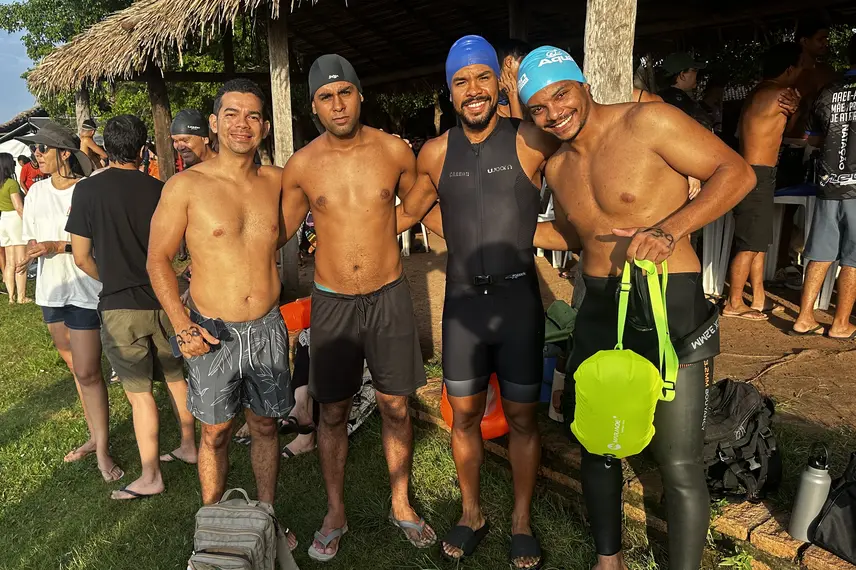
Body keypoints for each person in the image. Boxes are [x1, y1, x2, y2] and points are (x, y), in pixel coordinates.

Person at [520, 46, 755, 570]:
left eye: (560, 94)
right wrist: (508, 234)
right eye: (538, 107)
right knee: (598, 441)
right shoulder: (557, 168)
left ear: (582, 83)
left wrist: (671, 228)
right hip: (600, 304)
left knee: (677, 457)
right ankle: (610, 559)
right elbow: (576, 233)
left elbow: (736, 172)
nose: (554, 112)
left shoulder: (647, 122)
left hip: (667, 297)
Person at [396, 36, 563, 569]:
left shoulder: (532, 139)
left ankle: (520, 520)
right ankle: (472, 513)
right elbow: (411, 210)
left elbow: (580, 191)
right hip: (464, 306)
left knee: (521, 418)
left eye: (482, 78)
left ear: (499, 83)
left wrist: (540, 236)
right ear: (450, 92)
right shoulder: (435, 152)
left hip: (518, 302)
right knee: (463, 416)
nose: (473, 90)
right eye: (461, 81)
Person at [279, 53, 435, 562]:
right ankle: (335, 511)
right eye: (326, 97)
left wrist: (374, 232)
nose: (338, 104)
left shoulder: (394, 151)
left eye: (345, 92)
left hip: (388, 295)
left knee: (395, 404)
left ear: (359, 94)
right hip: (332, 303)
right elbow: (279, 230)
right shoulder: (303, 165)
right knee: (332, 412)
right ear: (313, 107)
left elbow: (415, 202)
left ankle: (401, 502)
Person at [147, 80, 296, 546]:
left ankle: (266, 518)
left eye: (253, 116)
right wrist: (182, 324)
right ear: (214, 123)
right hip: (211, 331)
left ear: (266, 127)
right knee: (214, 433)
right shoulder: (186, 186)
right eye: (231, 114)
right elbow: (157, 258)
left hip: (268, 326)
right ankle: (212, 527)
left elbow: (281, 234)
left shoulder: (277, 182)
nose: (242, 124)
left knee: (267, 425)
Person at [66, 115, 198, 500]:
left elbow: (80, 257)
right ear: (143, 150)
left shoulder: (87, 192)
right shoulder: (161, 188)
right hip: (164, 298)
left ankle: (150, 474)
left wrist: (110, 277)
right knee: (176, 377)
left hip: (120, 304)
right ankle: (190, 444)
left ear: (106, 149)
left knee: (140, 394)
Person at [13, 122, 123, 482]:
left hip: (85, 289)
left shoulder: (88, 190)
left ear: (64, 153)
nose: (36, 156)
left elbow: (100, 242)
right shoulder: (36, 193)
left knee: (89, 371)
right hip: (51, 292)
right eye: (33, 151)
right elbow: (32, 238)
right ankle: (95, 436)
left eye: (41, 149)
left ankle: (103, 450)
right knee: (78, 370)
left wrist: (57, 247)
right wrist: (30, 253)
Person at [723, 43, 803, 321]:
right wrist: (799, 108)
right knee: (749, 244)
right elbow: (797, 131)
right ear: (790, 69)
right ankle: (734, 302)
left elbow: (783, 126)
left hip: (754, 171)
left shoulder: (757, 92)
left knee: (758, 241)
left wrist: (795, 110)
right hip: (757, 173)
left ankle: (758, 297)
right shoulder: (782, 94)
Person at [792, 36, 856, 339]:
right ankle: (840, 323)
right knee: (854, 259)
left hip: (828, 184)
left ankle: (804, 317)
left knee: (820, 252)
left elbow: (813, 140)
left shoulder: (827, 91)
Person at [785, 19, 837, 139]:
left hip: (825, 140)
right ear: (804, 41)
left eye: (827, 39)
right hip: (795, 140)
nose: (825, 43)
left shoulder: (828, 71)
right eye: (820, 39)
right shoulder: (788, 74)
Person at [0, 153, 29, 303]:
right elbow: (18, 207)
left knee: (10, 262)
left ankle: (11, 297)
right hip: (14, 220)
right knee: (21, 260)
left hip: (3, 219)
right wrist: (29, 223)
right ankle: (21, 296)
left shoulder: (1, 183)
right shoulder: (11, 183)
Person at [658, 52, 713, 129]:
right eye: (694, 70)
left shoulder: (657, 98)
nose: (697, 74)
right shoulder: (688, 106)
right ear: (682, 75)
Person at [495, 39, 532, 120]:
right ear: (509, 62)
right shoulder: (493, 97)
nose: (528, 70)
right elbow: (518, 131)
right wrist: (512, 96)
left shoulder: (520, 92)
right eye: (524, 63)